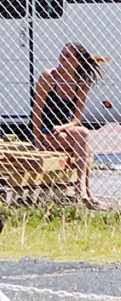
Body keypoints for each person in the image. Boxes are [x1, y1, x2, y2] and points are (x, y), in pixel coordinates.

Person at [32, 43, 106, 209]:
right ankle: (85, 191)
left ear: (78, 62)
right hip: (47, 132)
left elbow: (76, 118)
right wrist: (37, 140)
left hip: (65, 131)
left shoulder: (80, 82)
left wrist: (63, 128)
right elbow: (37, 111)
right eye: (62, 54)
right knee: (83, 139)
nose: (62, 59)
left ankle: (83, 191)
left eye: (68, 57)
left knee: (83, 134)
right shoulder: (49, 77)